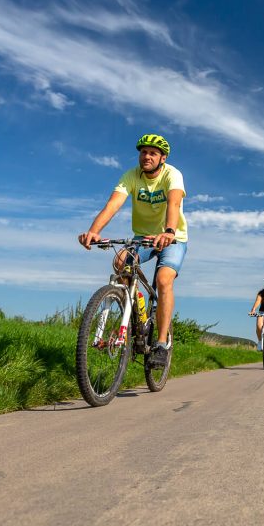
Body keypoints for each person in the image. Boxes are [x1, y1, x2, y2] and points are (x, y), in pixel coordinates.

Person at [78, 133, 188, 366]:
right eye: (143, 152)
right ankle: (133, 315)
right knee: (120, 262)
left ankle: (160, 343)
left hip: (173, 237)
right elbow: (113, 204)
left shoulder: (173, 174)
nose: (147, 156)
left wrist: (168, 231)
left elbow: (174, 203)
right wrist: (93, 231)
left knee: (163, 280)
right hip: (143, 237)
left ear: (163, 158)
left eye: (153, 153)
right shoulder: (131, 175)